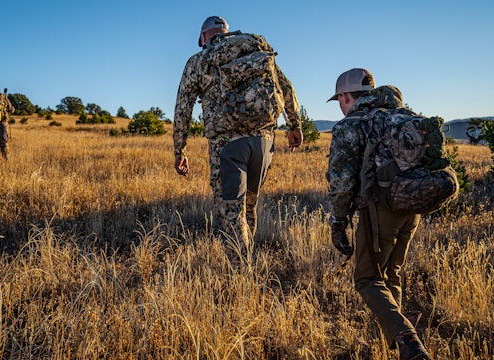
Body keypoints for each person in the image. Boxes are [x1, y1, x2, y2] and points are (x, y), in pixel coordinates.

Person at [327, 68, 432, 360]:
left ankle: (408, 342)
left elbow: (342, 182)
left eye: (339, 99)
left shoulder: (351, 125)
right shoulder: (398, 116)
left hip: (380, 209)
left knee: (367, 279)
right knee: (391, 275)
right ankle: (396, 347)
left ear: (346, 96)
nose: (340, 105)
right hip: (412, 206)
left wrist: (338, 221)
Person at [173, 16, 302, 250]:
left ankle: (241, 275)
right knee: (249, 206)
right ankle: (247, 258)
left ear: (203, 37)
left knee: (231, 214)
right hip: (264, 142)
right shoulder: (255, 48)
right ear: (226, 32)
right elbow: (286, 86)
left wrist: (179, 150)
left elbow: (183, 108)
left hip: (228, 145)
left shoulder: (199, 60)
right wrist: (295, 125)